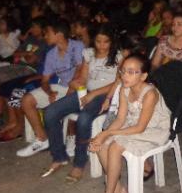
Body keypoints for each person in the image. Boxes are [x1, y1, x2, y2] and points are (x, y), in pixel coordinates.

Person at [88, 54, 171, 193]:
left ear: (143, 76)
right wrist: (103, 135)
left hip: (152, 129)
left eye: (132, 72)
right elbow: (120, 119)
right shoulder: (124, 89)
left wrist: (108, 133)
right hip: (132, 124)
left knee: (115, 146)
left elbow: (140, 128)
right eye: (123, 71)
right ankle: (119, 190)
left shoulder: (150, 94)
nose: (125, 75)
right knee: (102, 145)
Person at [41, 24, 122, 182]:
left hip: (106, 96)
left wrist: (93, 95)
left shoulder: (118, 57)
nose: (102, 45)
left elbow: (118, 82)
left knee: (84, 118)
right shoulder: (88, 53)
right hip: (87, 92)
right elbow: (84, 77)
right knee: (50, 112)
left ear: (112, 42)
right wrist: (78, 85)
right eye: (98, 41)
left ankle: (79, 163)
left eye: (106, 42)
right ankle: (59, 156)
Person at [16, 20, 84, 157]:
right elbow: (45, 80)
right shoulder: (51, 54)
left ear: (58, 34)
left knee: (66, 102)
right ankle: (42, 138)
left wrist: (70, 89)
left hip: (79, 87)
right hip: (59, 87)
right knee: (26, 101)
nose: (45, 35)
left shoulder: (77, 46)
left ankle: (72, 137)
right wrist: (49, 92)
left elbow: (80, 69)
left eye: (47, 33)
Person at [0, 17, 48, 129]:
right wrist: (26, 53)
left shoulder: (44, 43)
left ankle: (9, 117)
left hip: (31, 70)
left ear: (42, 29)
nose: (31, 29)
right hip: (18, 65)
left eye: (34, 27)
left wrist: (22, 55)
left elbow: (31, 61)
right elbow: (15, 54)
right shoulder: (30, 39)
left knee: (5, 79)